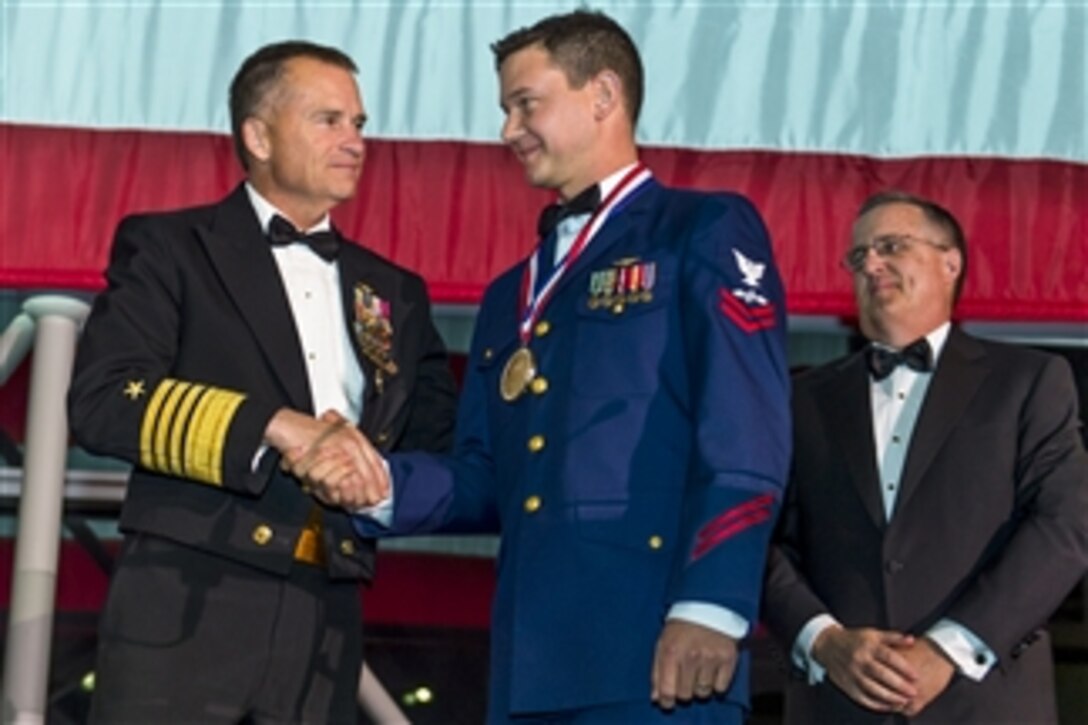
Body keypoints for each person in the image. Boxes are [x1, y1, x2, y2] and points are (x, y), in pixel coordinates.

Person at [292, 10, 791, 723]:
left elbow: (746, 432)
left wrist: (712, 603)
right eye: (504, 109)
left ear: (604, 95)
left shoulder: (702, 229)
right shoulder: (507, 296)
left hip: (661, 650)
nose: (507, 130)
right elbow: (484, 475)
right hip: (530, 666)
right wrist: (374, 482)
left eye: (527, 103)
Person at [67, 40, 456, 724]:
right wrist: (275, 424)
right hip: (188, 600)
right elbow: (103, 400)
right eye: (329, 120)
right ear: (258, 134)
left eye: (360, 124)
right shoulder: (172, 249)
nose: (355, 142)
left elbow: (438, 444)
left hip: (329, 611)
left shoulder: (395, 291)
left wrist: (376, 477)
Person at [762, 190, 1088, 723]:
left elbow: (1066, 526)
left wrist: (949, 649)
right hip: (837, 705)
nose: (870, 263)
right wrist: (823, 641)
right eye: (858, 256)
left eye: (891, 245)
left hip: (983, 704)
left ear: (950, 263)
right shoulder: (800, 399)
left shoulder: (1029, 382)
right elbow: (758, 535)